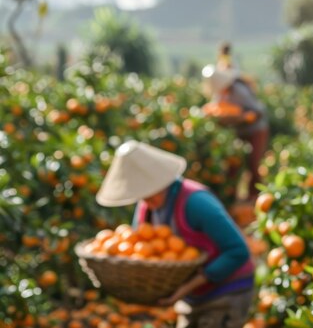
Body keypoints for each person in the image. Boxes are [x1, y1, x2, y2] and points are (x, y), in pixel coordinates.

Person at [96, 140, 255, 328]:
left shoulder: (196, 202)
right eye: (140, 194)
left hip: (225, 292)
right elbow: (141, 251)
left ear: (162, 179)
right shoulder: (147, 207)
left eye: (149, 191)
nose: (145, 198)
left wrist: (188, 287)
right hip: (191, 296)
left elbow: (238, 251)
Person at [202, 65, 269, 202]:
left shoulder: (239, 91)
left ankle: (256, 197)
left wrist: (243, 116)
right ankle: (231, 196)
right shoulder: (220, 93)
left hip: (256, 130)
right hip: (239, 131)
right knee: (234, 163)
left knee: (253, 163)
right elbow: (216, 110)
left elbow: (258, 112)